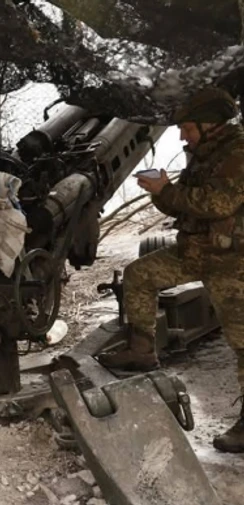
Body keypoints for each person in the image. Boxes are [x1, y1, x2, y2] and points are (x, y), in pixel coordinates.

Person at [97, 86, 244, 453]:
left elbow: (217, 204)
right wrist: (161, 191)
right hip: (195, 251)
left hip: (232, 263)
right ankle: (142, 350)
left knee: (243, 343)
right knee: (139, 275)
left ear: (210, 125)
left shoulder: (238, 152)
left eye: (187, 128)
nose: (181, 135)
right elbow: (186, 208)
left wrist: (168, 190)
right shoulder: (204, 153)